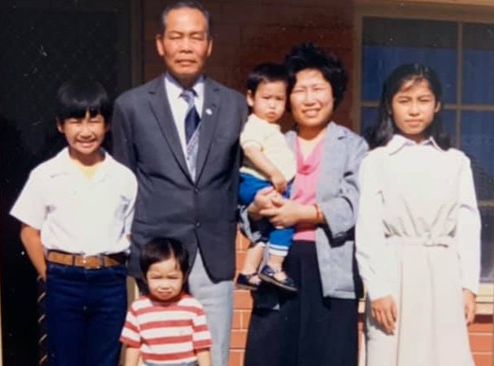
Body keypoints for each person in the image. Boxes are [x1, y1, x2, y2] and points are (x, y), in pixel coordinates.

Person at [111, 1, 248, 364]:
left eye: (195, 37)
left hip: (212, 250)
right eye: (176, 37)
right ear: (160, 43)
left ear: (209, 45)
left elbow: (237, 178)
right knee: (157, 352)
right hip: (157, 254)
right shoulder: (132, 106)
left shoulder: (234, 105)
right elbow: (124, 181)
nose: (186, 46)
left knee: (212, 351)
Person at [241, 43, 368, 366]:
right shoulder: (274, 143)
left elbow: (357, 204)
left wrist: (304, 213)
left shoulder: (353, 146)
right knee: (270, 354)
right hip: (279, 266)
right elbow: (244, 210)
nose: (309, 99)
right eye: (300, 90)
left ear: (334, 93)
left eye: (318, 89)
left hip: (331, 267)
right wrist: (255, 207)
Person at [355, 63, 481, 366]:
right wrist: (379, 288)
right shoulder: (377, 161)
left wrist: (469, 287)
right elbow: (368, 227)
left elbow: (467, 226)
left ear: (437, 105)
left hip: (444, 274)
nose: (414, 111)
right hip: (394, 272)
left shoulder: (456, 162)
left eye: (423, 101)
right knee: (391, 351)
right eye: (404, 101)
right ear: (389, 105)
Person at [10, 79, 137, 366]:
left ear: (107, 125)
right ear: (60, 125)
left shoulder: (123, 177)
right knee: (64, 359)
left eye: (95, 120)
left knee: (105, 358)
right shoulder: (46, 175)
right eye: (76, 121)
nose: (86, 131)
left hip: (110, 281)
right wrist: (49, 275)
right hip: (63, 280)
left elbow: (129, 233)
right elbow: (29, 231)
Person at [235, 62, 297, 292]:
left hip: (260, 182)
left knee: (262, 233)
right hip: (257, 182)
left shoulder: (271, 127)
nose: (272, 105)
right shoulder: (255, 125)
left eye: (279, 99)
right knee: (285, 220)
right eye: (266, 97)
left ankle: (248, 272)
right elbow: (251, 149)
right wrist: (274, 172)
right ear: (251, 98)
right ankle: (274, 265)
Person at [121, 238, 211, 366]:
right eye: (157, 278)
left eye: (172, 278)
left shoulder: (193, 308)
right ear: (144, 277)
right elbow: (133, 345)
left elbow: (202, 347)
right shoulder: (138, 308)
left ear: (184, 277)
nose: (165, 285)